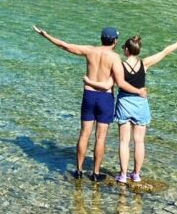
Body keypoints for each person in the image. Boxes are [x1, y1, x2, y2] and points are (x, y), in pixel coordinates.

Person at [33, 25, 147, 182]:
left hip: (88, 96)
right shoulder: (115, 58)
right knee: (100, 137)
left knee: (84, 134)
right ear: (115, 41)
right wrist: (138, 91)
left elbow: (64, 45)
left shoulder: (89, 51)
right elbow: (120, 83)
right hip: (105, 98)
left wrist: (46, 35)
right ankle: (95, 173)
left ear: (101, 38)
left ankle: (78, 170)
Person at [114, 30, 177, 184]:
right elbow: (165, 52)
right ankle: (136, 174)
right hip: (140, 104)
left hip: (124, 103)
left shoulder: (120, 65)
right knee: (139, 141)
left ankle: (123, 175)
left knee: (124, 141)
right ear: (137, 50)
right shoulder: (144, 63)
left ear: (126, 50)